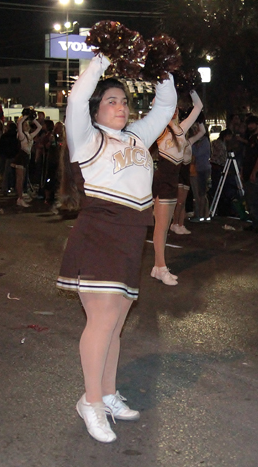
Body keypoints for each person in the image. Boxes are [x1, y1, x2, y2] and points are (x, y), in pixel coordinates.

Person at [56, 54, 176, 443]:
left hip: (130, 238)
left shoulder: (137, 137)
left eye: (124, 101)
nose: (121, 106)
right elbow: (76, 99)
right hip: (99, 235)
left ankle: (107, 393)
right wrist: (103, 59)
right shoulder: (86, 137)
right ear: (95, 109)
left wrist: (162, 70)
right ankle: (90, 401)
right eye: (111, 101)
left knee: (116, 324)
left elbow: (166, 106)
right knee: (102, 320)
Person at [152, 89, 203, 284]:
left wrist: (191, 88)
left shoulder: (182, 128)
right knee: (161, 225)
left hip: (174, 180)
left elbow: (198, 106)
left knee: (165, 227)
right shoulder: (159, 127)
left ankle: (158, 267)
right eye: (170, 106)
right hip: (163, 179)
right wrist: (163, 93)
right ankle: (160, 267)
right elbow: (155, 105)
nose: (174, 110)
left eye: (175, 107)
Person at [170, 117, 205, 234]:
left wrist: (200, 120)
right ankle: (175, 223)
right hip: (179, 173)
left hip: (186, 173)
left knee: (183, 201)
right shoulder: (175, 143)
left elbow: (202, 132)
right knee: (179, 201)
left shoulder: (189, 142)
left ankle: (180, 224)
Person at [14, 113, 42, 207]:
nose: (27, 126)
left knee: (22, 179)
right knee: (20, 179)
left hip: (26, 157)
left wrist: (32, 119)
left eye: (27, 125)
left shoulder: (29, 135)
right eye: (25, 125)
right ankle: (20, 198)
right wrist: (25, 117)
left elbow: (39, 127)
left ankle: (20, 197)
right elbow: (19, 124)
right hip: (21, 157)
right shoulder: (21, 135)